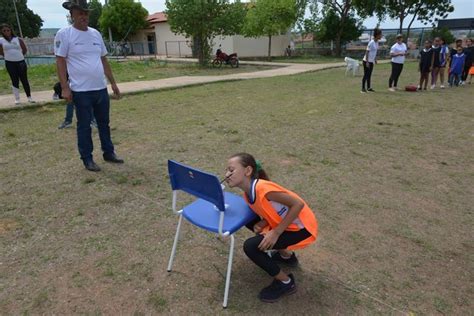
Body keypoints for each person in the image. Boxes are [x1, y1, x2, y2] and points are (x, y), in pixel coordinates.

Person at [224, 153, 318, 303]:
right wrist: (263, 223)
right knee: (250, 219)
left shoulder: (263, 189)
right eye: (226, 170)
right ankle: (286, 256)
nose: (226, 174)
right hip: (287, 225)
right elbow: (270, 211)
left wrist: (276, 232)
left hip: (302, 228)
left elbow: (297, 204)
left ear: (247, 171)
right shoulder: (248, 194)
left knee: (251, 246)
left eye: (231, 170)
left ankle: (285, 282)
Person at [54, 0, 123, 172]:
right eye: (80, 13)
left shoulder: (95, 34)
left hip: (100, 88)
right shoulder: (65, 34)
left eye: (86, 13)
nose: (83, 16)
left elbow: (103, 59)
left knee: (104, 123)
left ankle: (109, 152)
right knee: (84, 126)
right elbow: (60, 61)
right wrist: (64, 87)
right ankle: (87, 158)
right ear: (72, 15)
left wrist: (113, 83)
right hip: (80, 90)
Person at [0, 23, 35, 104]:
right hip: (10, 63)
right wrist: (8, 56)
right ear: (2, 32)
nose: (6, 32)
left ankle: (29, 97)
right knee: (14, 80)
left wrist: (19, 56)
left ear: (11, 30)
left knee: (24, 80)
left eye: (8, 30)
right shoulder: (1, 40)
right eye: (4, 31)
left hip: (20, 62)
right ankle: (17, 99)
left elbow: (24, 49)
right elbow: (1, 51)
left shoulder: (17, 39)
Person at [361, 28, 382, 93]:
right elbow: (367, 52)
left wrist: (375, 59)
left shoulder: (377, 42)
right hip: (366, 61)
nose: (381, 36)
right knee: (366, 75)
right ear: (377, 35)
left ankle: (369, 88)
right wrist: (367, 62)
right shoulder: (371, 42)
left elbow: (374, 52)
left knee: (369, 75)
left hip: (371, 61)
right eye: (380, 35)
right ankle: (363, 89)